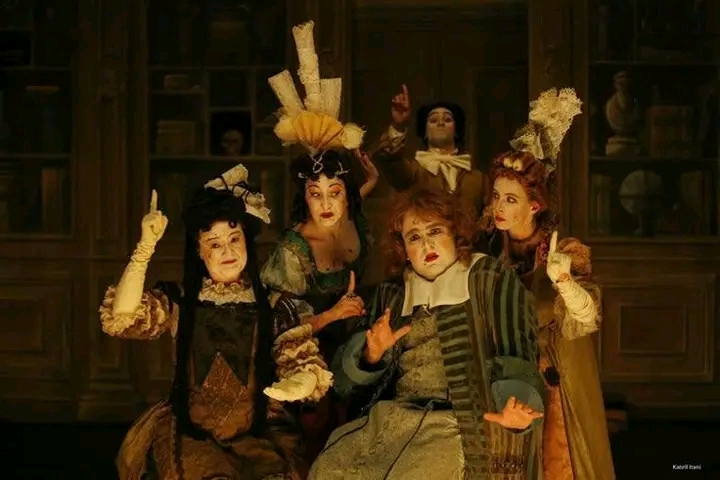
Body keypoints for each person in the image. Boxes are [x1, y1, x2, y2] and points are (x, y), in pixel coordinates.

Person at [99, 164, 333, 480]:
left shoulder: (273, 304)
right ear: (200, 251)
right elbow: (122, 316)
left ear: (246, 241)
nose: (227, 251)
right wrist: (145, 248)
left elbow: (301, 358)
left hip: (257, 431)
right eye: (214, 243)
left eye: (234, 239)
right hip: (193, 433)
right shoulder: (181, 301)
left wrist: (301, 381)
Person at [308, 187, 545, 480]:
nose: (426, 244)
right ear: (403, 249)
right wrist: (371, 355)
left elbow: (517, 353)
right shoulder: (392, 294)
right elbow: (345, 387)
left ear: (455, 233)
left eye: (435, 231)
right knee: (330, 468)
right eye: (414, 237)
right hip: (395, 418)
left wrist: (517, 404)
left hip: (458, 422)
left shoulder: (489, 279)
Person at [482, 87, 615, 479]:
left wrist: (563, 281)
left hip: (554, 382)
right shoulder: (488, 251)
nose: (498, 207)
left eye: (510, 199)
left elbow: (586, 316)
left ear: (534, 205)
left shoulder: (564, 252)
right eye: (496, 196)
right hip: (504, 376)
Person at [261, 20, 378, 465]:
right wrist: (333, 314)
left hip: (355, 338)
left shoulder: (354, 219)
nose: (326, 204)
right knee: (316, 433)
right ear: (304, 197)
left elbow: (358, 199)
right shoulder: (294, 250)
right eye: (316, 194)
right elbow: (279, 327)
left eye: (335, 193)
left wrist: (370, 178)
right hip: (307, 352)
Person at [371, 84, 490, 223]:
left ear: (456, 131)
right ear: (425, 133)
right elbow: (389, 159)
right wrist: (398, 126)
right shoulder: (413, 172)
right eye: (433, 120)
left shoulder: (479, 179)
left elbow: (491, 218)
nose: (440, 123)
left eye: (447, 119)